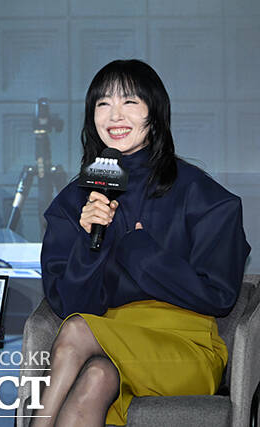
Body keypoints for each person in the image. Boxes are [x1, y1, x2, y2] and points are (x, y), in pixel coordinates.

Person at [30, 59, 250, 426]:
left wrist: (138, 249)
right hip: (104, 342)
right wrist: (89, 243)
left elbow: (220, 295)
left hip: (185, 345)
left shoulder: (201, 194)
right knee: (96, 374)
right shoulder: (75, 202)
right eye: (103, 103)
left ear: (155, 112)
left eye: (130, 101)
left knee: (79, 330)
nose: (115, 115)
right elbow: (69, 305)